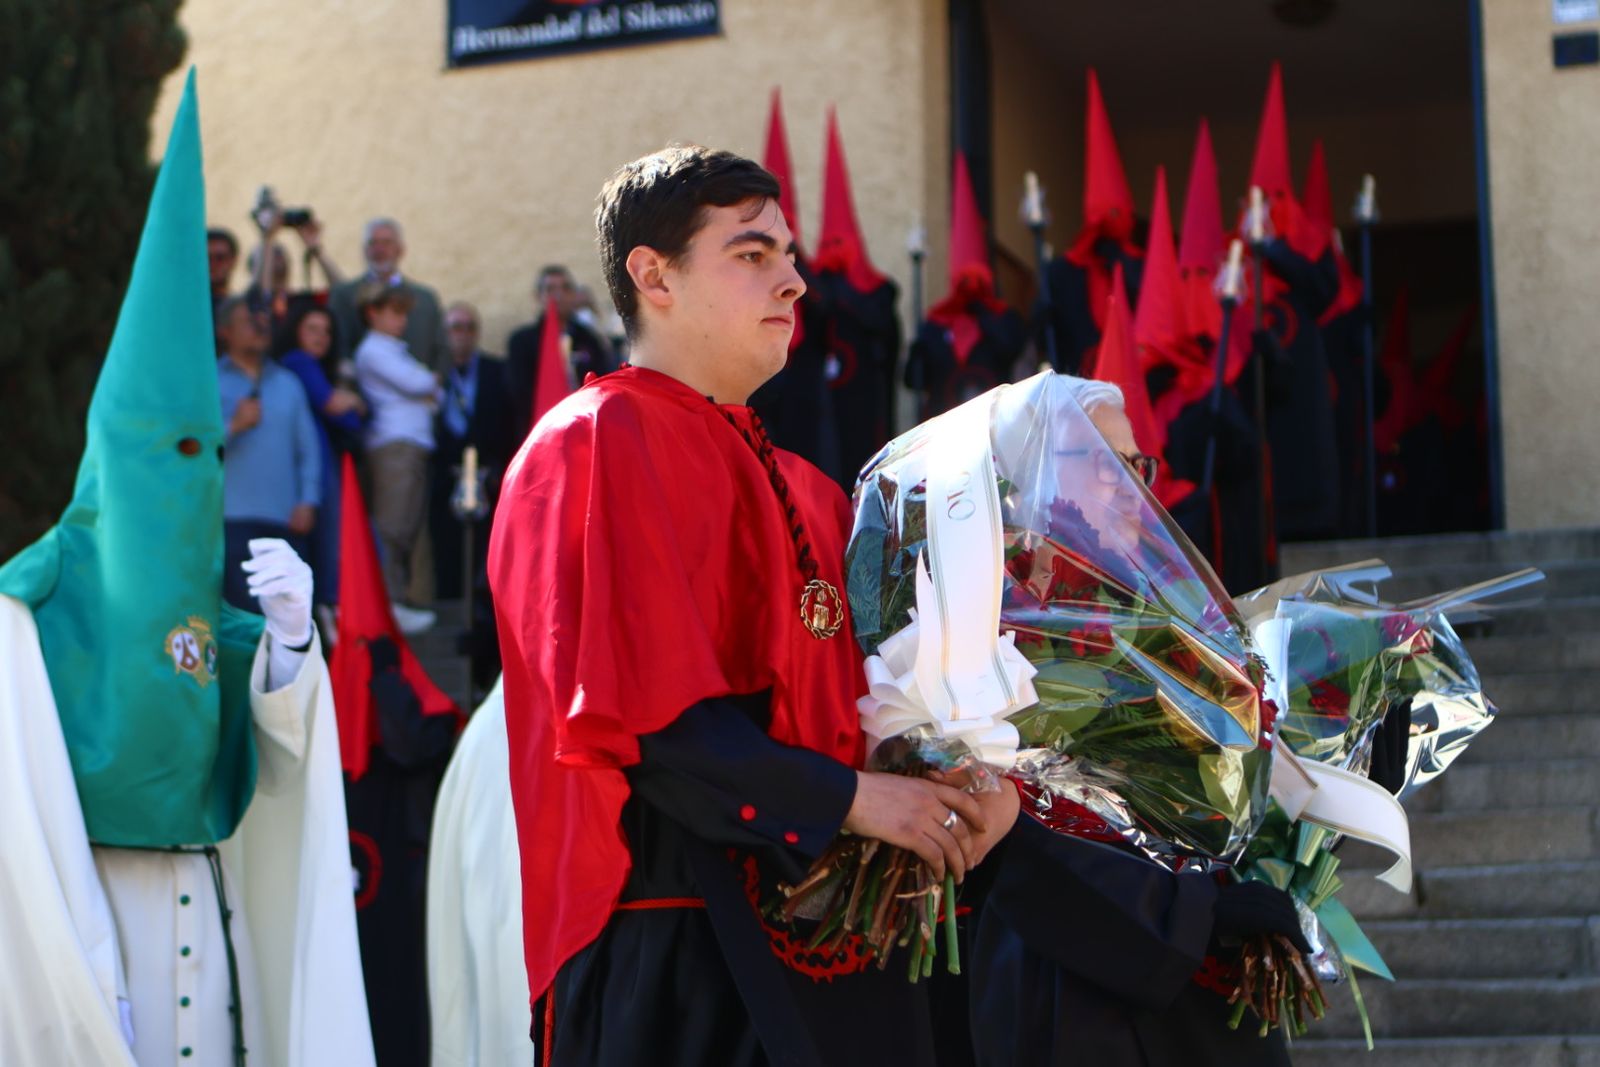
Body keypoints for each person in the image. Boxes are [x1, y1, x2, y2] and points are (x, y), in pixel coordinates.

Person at [488, 144, 1017, 1065]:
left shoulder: (815, 488)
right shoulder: (590, 441)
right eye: (752, 254)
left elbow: (871, 716)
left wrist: (961, 786)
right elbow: (647, 726)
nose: (796, 281)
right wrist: (860, 798)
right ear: (653, 275)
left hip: (848, 945)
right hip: (682, 946)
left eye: (790, 255)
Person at [0, 74, 372, 1067]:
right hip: (89, 920)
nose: (196, 475)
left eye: (207, 452)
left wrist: (292, 639)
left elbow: (282, 760)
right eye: (172, 452)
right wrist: (68, 975)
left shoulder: (217, 618)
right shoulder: (25, 609)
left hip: (208, 909)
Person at [966, 379, 1308, 1067]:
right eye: (1100, 458)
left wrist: (1328, 788)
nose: (1131, 486)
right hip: (1078, 995)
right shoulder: (991, 629)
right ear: (1032, 470)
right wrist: (1194, 916)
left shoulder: (1178, 620)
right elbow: (1025, 847)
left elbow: (1235, 798)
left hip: (1201, 995)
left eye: (1137, 463)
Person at [216, 295, 322, 613]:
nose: (260, 328)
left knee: (286, 620)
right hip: (230, 520)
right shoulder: (209, 382)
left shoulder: (289, 383)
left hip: (284, 521)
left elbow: (309, 450)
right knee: (242, 621)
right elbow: (192, 452)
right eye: (250, 322)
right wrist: (233, 425)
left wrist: (308, 500)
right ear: (225, 331)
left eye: (264, 322)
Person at [353, 278, 441, 632]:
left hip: (409, 444)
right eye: (394, 313)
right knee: (393, 526)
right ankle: (390, 602)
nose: (401, 321)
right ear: (372, 313)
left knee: (407, 525)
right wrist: (427, 383)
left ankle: (400, 598)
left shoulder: (392, 350)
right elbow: (422, 385)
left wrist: (426, 386)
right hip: (395, 445)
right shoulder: (373, 350)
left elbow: (431, 392)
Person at [280, 304, 366, 615]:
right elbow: (333, 406)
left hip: (319, 458)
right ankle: (331, 603)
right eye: (312, 329)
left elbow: (350, 420)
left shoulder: (312, 367)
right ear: (296, 331)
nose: (321, 337)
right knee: (330, 534)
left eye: (327, 331)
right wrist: (354, 401)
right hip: (310, 463)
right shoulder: (298, 362)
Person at [505, 264, 615, 443]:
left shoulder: (589, 339)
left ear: (573, 295)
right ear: (538, 296)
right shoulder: (522, 342)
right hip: (538, 432)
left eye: (565, 288)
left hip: (583, 431)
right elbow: (519, 394)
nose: (558, 295)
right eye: (550, 289)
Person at [328, 217, 448, 370]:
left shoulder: (426, 299)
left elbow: (442, 350)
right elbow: (340, 350)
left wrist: (434, 385)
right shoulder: (344, 296)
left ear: (400, 250)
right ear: (365, 251)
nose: (379, 250)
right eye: (373, 243)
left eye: (386, 243)